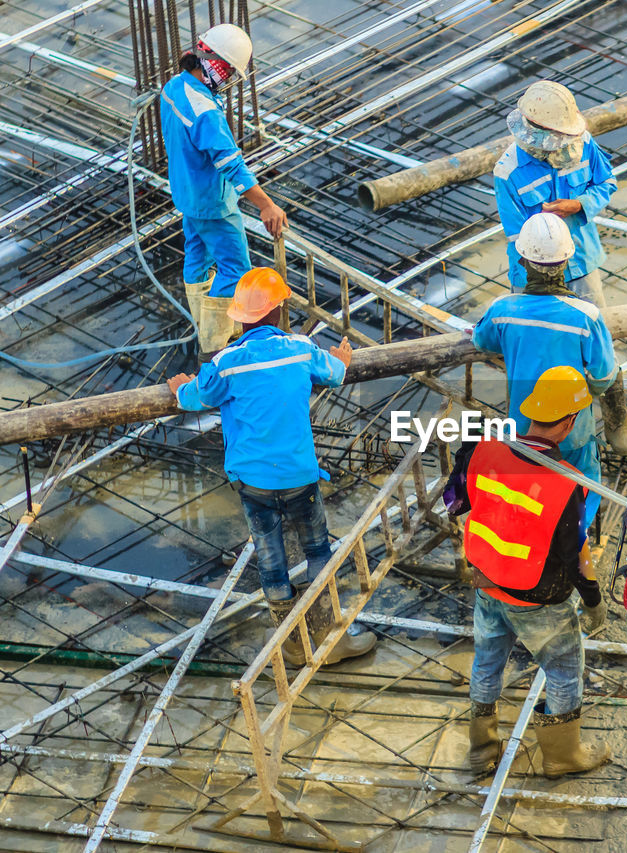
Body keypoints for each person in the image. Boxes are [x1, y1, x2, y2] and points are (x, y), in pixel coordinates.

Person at [166, 267, 374, 665]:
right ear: (279, 312)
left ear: (240, 318)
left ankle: (293, 645)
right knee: (317, 552)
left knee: (272, 560)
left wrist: (180, 389)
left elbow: (194, 398)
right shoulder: (299, 348)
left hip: (253, 483)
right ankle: (330, 637)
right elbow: (334, 373)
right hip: (299, 476)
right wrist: (343, 359)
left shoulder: (226, 363)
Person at [444, 365, 610, 778]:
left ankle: (481, 749)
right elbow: (576, 558)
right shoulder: (566, 482)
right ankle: (561, 755)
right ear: (570, 422)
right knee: (563, 670)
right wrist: (594, 602)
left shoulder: (485, 449)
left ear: (531, 410)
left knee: (486, 663)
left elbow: (455, 500)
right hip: (540, 597)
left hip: (487, 583)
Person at [493, 79, 627, 455]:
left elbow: (607, 182)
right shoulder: (508, 172)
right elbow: (516, 238)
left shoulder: (582, 144)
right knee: (534, 350)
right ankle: (531, 431)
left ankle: (615, 423)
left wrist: (580, 204)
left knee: (599, 339)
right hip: (534, 274)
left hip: (583, 263)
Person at [472, 213, 620, 534]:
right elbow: (605, 375)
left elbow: (481, 340)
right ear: (568, 260)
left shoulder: (503, 309)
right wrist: (582, 395)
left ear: (522, 261)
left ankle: (537, 544)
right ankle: (575, 544)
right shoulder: (585, 316)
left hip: (524, 430)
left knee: (531, 495)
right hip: (572, 428)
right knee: (580, 490)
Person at [160, 23, 289, 362]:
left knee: (198, 258)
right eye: (229, 70)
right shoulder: (206, 113)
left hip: (187, 196)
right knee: (235, 270)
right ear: (216, 64)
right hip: (214, 205)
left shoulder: (172, 89)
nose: (229, 78)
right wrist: (267, 206)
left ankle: (204, 326)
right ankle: (217, 346)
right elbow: (232, 165)